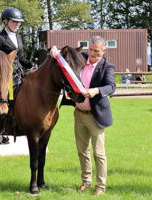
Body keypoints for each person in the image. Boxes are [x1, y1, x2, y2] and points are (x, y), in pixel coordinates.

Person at [51, 35, 116, 196]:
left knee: (98, 153)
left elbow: (111, 86)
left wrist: (97, 90)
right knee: (82, 151)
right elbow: (66, 52)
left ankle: (100, 186)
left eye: (97, 51)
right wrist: (55, 48)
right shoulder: (82, 58)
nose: (93, 54)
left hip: (96, 116)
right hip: (78, 114)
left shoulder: (107, 66)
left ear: (104, 51)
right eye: (91, 50)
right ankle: (86, 182)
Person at [0, 7, 37, 145]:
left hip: (19, 73)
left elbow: (21, 57)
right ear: (5, 21)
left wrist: (31, 65)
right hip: (6, 75)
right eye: (14, 22)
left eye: (19, 22)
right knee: (6, 99)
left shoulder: (18, 37)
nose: (17, 24)